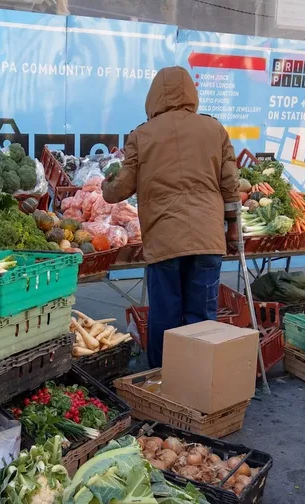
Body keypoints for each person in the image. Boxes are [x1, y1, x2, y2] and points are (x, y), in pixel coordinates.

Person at [102, 65, 239, 368]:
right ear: (192, 93)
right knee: (202, 317)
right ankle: (200, 381)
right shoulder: (214, 129)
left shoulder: (142, 135)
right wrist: (233, 229)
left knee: (164, 314)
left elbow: (118, 189)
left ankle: (162, 381)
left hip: (165, 241)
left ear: (153, 98)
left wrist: (106, 185)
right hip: (207, 239)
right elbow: (230, 184)